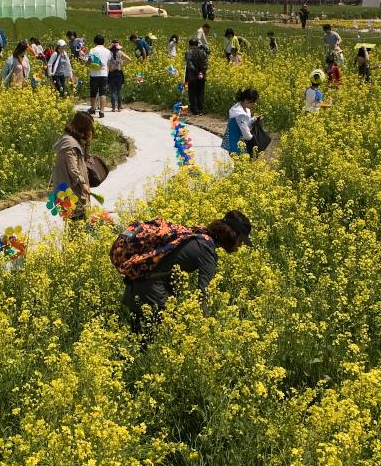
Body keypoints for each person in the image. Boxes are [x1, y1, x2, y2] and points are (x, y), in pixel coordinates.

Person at [115, 210, 253, 335]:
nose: (240, 246)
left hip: (137, 283)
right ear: (232, 235)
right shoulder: (206, 251)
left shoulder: (197, 234)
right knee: (150, 341)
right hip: (151, 294)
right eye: (240, 240)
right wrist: (205, 331)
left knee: (137, 338)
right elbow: (204, 293)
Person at [51, 112, 93, 226]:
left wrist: (88, 143)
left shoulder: (74, 140)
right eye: (89, 128)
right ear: (83, 127)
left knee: (79, 220)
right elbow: (73, 168)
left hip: (74, 186)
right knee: (76, 220)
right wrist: (83, 183)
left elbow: (86, 161)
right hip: (70, 187)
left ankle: (76, 242)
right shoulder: (69, 144)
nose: (90, 131)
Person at [221, 88, 260, 157]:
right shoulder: (240, 114)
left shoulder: (240, 106)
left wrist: (253, 119)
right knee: (242, 164)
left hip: (234, 141)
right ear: (246, 100)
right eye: (253, 102)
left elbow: (245, 123)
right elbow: (246, 135)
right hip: (237, 144)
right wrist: (255, 142)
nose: (254, 104)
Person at [87, 34, 112, 118]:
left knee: (93, 92)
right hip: (104, 74)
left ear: (95, 42)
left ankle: (93, 109)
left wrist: (85, 63)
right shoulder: (108, 51)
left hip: (94, 74)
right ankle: (102, 111)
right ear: (103, 42)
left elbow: (89, 61)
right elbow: (108, 64)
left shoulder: (92, 50)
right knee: (103, 93)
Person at [185, 37, 208, 115]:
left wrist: (197, 72)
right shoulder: (203, 52)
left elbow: (190, 66)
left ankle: (195, 110)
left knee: (192, 93)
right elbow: (205, 64)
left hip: (193, 77)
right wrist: (201, 72)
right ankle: (200, 109)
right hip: (202, 76)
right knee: (200, 92)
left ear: (190, 45)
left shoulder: (189, 52)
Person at [108, 41, 126, 112]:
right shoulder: (120, 53)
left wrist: (109, 67)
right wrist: (122, 64)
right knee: (119, 91)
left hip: (111, 73)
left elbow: (107, 63)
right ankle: (119, 108)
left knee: (112, 91)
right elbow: (129, 59)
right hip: (119, 73)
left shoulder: (109, 54)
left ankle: (113, 108)